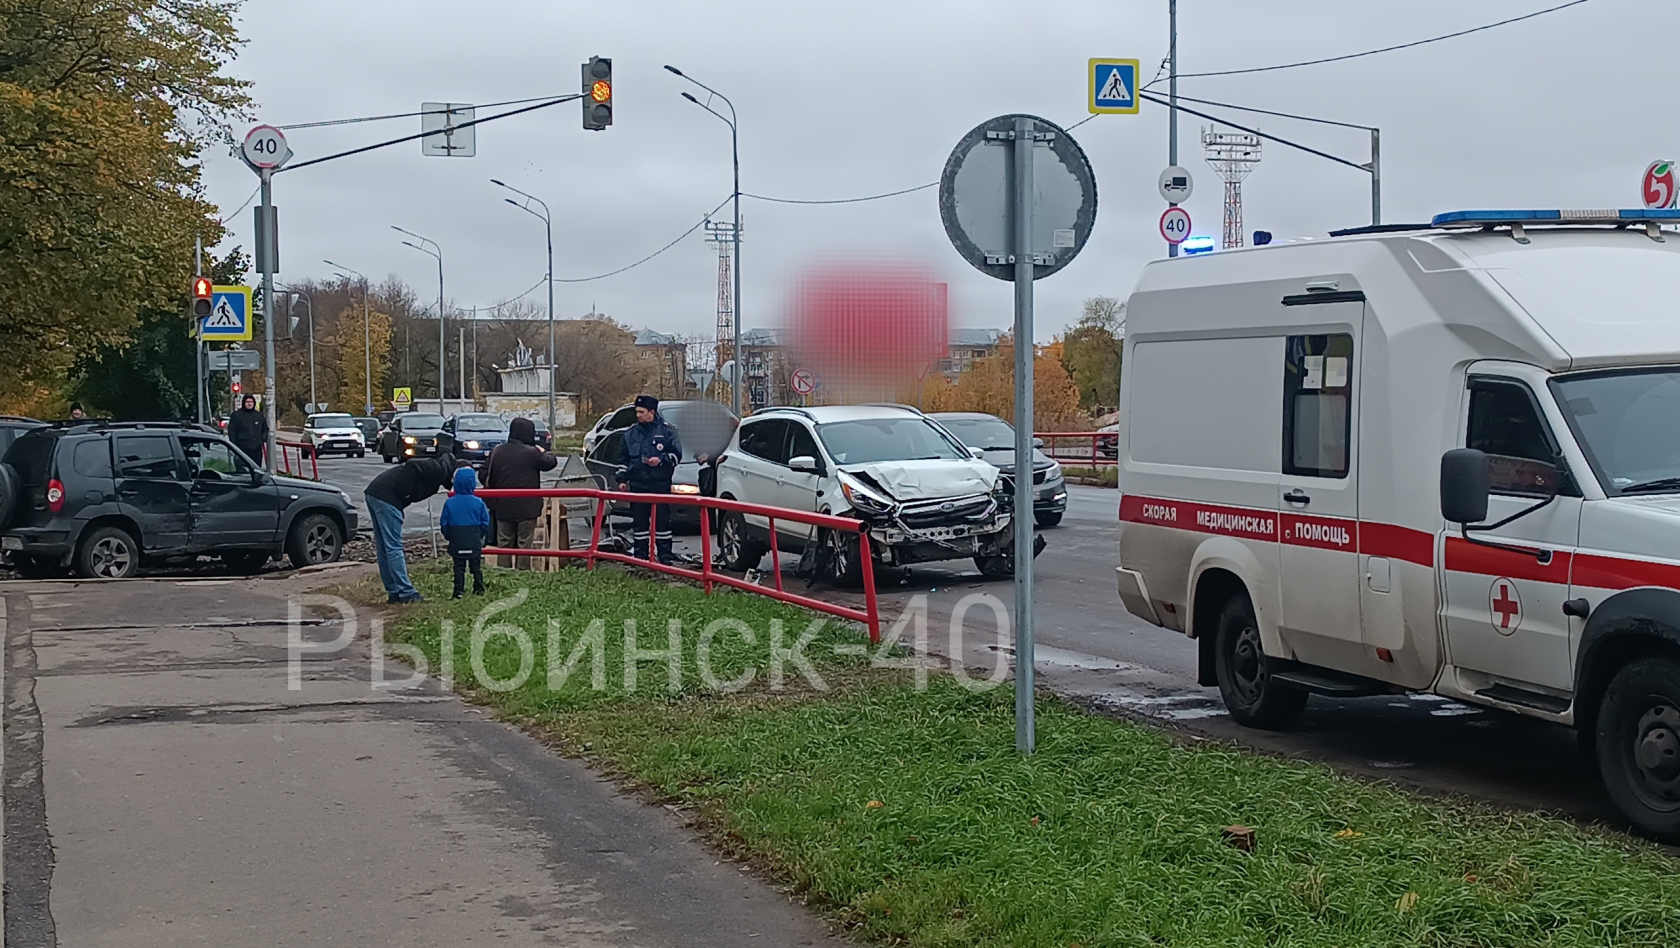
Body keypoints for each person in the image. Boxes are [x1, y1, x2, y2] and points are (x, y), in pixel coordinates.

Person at [363, 435, 456, 603]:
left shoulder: (438, 474)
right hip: (387, 497)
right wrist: (404, 493)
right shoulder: (438, 469)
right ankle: (406, 593)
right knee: (393, 548)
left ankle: (394, 592)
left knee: (385, 548)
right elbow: (411, 466)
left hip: (375, 493)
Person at [483, 416, 558, 569]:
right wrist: (543, 451)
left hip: (502, 506)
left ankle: (503, 574)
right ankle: (523, 574)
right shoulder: (532, 453)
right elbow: (551, 463)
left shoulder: (497, 451)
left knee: (504, 543)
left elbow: (483, 474)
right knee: (525, 544)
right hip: (527, 507)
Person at [616, 394, 682, 564]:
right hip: (638, 484)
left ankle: (665, 556)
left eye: (641, 412)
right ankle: (641, 557)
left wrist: (661, 460)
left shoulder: (668, 431)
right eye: (636, 412)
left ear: (651, 412)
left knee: (662, 523)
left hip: (659, 483)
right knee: (639, 524)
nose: (638, 415)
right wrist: (621, 479)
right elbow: (623, 459)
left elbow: (676, 455)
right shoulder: (630, 434)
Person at [440, 466, 491, 599]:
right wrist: (479, 535)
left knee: (458, 567)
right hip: (473, 536)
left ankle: (458, 591)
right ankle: (478, 588)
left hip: (456, 538)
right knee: (476, 566)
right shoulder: (478, 502)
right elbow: (485, 522)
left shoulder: (449, 503)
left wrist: (449, 536)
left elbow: (444, 523)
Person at [227, 394, 268, 465]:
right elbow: (232, 432)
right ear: (244, 402)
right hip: (241, 450)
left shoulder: (259, 416)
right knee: (242, 472)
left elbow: (265, 429)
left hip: (256, 451)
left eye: (251, 402)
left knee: (256, 472)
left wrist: (261, 439)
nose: (249, 404)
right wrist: (234, 447)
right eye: (247, 402)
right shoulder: (236, 416)